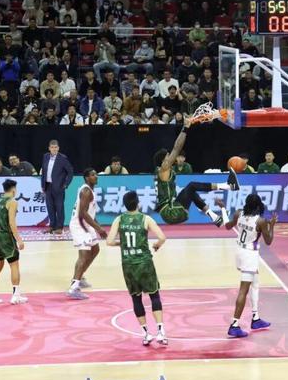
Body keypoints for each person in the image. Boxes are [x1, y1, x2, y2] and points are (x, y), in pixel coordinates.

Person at [107, 191, 168, 346]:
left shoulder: (119, 219)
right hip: (144, 263)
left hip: (128, 264)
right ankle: (160, 332)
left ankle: (146, 334)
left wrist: (122, 244)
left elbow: (109, 241)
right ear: (138, 203)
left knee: (136, 298)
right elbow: (162, 237)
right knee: (154, 295)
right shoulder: (145, 219)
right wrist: (157, 245)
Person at [153, 119, 239, 225]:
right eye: (167, 156)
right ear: (163, 161)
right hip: (171, 212)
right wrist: (185, 128)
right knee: (192, 185)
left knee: (191, 191)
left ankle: (215, 218)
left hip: (170, 210)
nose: (170, 156)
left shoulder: (160, 171)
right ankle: (228, 186)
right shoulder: (164, 168)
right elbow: (176, 148)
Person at [224, 194, 277, 338]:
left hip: (240, 252)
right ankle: (234, 325)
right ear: (259, 205)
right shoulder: (260, 221)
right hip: (249, 255)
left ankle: (256, 318)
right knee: (243, 290)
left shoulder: (238, 213)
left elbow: (227, 226)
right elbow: (269, 241)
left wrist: (223, 209)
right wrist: (272, 225)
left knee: (255, 283)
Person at [0, 179, 27, 305]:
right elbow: (12, 223)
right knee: (14, 265)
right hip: (5, 236)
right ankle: (16, 295)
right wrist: (19, 239)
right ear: (13, 189)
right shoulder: (12, 202)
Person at [67, 168, 108, 300]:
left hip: (86, 225)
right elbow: (83, 213)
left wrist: (98, 227)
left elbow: (90, 213)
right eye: (92, 175)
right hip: (79, 225)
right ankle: (74, 287)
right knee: (84, 254)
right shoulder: (86, 191)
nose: (96, 176)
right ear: (86, 178)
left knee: (95, 250)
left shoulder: (90, 191)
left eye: (96, 174)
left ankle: (80, 277)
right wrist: (98, 229)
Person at [41, 140, 74, 234]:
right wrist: (42, 185)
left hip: (59, 187)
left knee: (59, 207)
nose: (54, 149)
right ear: (49, 148)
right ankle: (52, 226)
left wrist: (66, 184)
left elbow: (70, 171)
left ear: (58, 148)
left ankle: (59, 227)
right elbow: (43, 172)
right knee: (50, 207)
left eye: (55, 147)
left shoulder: (62, 158)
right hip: (48, 186)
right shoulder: (45, 156)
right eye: (52, 147)